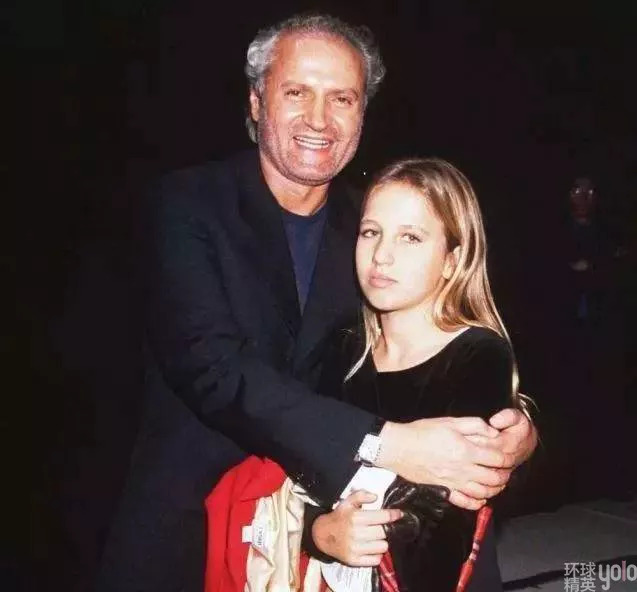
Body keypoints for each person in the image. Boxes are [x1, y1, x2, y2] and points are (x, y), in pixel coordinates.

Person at [96, 14, 536, 592]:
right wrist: (388, 443)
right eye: (297, 92)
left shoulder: (372, 226)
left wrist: (510, 426)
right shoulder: (186, 206)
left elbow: (439, 337)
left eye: (342, 98)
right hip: (193, 532)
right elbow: (212, 370)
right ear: (256, 102)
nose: (319, 119)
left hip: (334, 540)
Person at [305, 157, 533, 591]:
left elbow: (447, 517)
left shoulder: (476, 354)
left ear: (452, 260)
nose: (382, 255)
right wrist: (319, 532)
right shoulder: (343, 349)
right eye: (371, 232)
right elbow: (302, 470)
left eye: (410, 237)